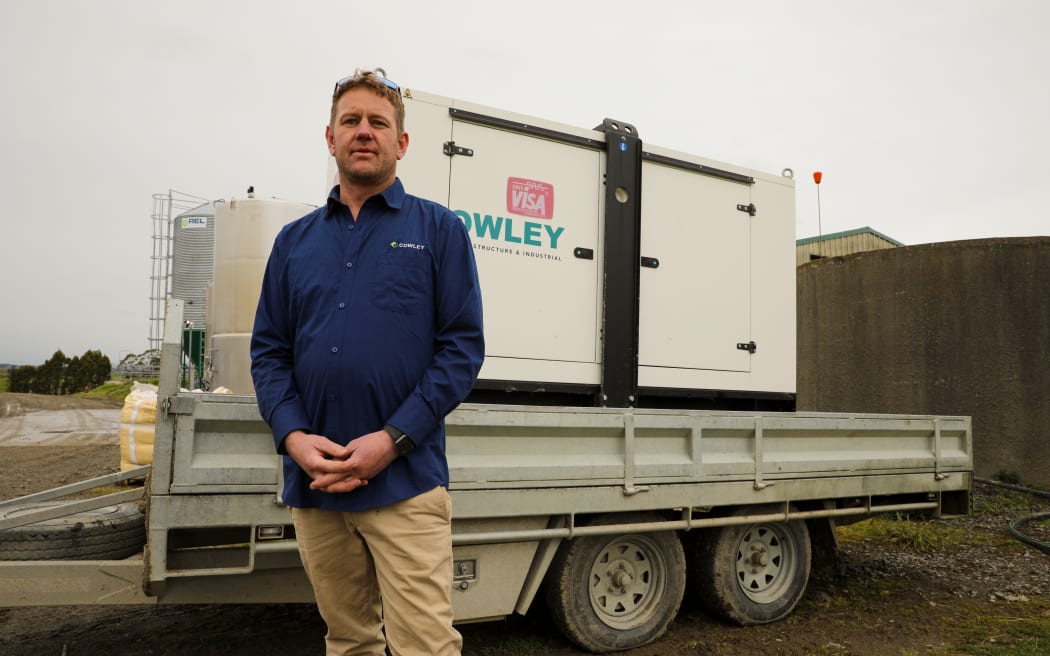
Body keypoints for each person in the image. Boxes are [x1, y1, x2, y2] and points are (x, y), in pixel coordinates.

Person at [250, 69, 485, 656]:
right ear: (328, 137)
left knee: (425, 646)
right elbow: (269, 351)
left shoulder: (439, 231)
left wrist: (391, 439)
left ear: (400, 143)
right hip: (317, 486)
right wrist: (294, 437)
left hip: (405, 484)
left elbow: (461, 349)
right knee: (349, 642)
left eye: (378, 122)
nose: (363, 132)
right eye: (350, 121)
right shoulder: (293, 242)